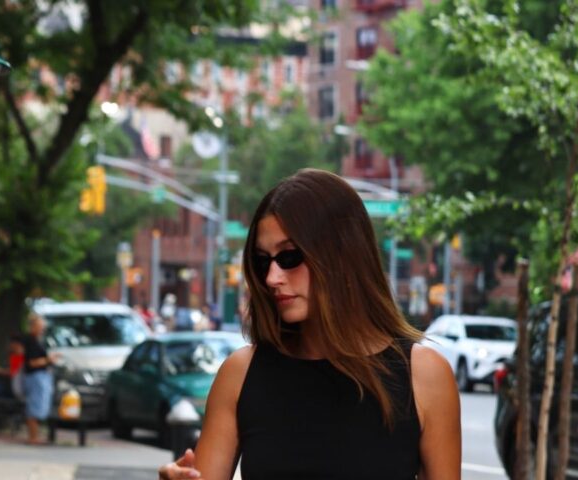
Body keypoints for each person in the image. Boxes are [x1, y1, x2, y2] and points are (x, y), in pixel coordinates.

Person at [158, 169, 460, 479]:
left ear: (342, 255)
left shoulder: (423, 376)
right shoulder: (241, 374)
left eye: (289, 257)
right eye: (263, 260)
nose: (271, 278)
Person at [20, 313, 58, 445]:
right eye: (40, 326)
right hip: (35, 377)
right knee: (35, 406)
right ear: (33, 326)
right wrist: (49, 360)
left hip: (40, 376)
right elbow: (32, 363)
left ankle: (35, 435)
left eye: (43, 326)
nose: (42, 328)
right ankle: (33, 437)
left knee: (38, 405)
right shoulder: (31, 341)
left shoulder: (37, 340)